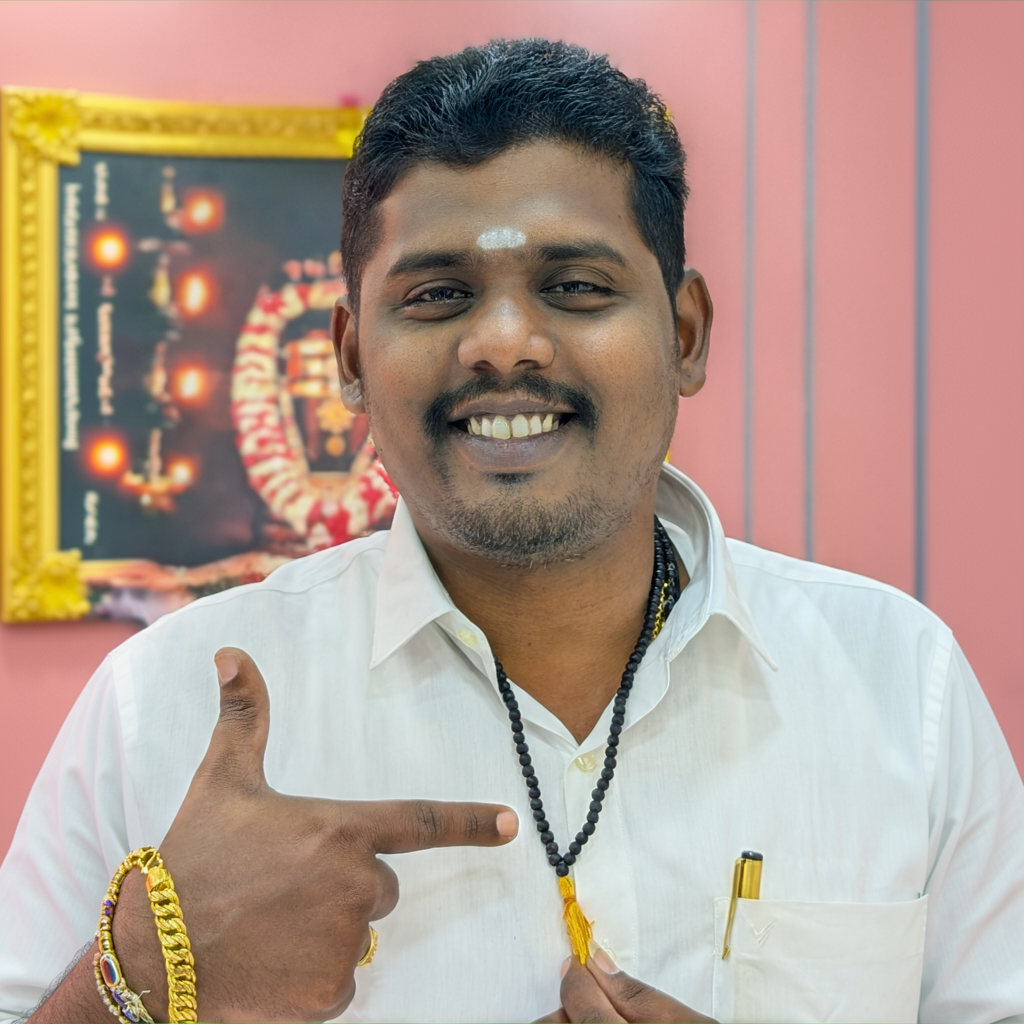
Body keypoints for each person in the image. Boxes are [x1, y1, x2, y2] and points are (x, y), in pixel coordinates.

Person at [1, 38, 1022, 1024]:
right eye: (438, 295)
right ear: (351, 357)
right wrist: (147, 975)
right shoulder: (160, 712)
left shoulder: (900, 684)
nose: (502, 344)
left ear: (684, 334)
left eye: (575, 287)